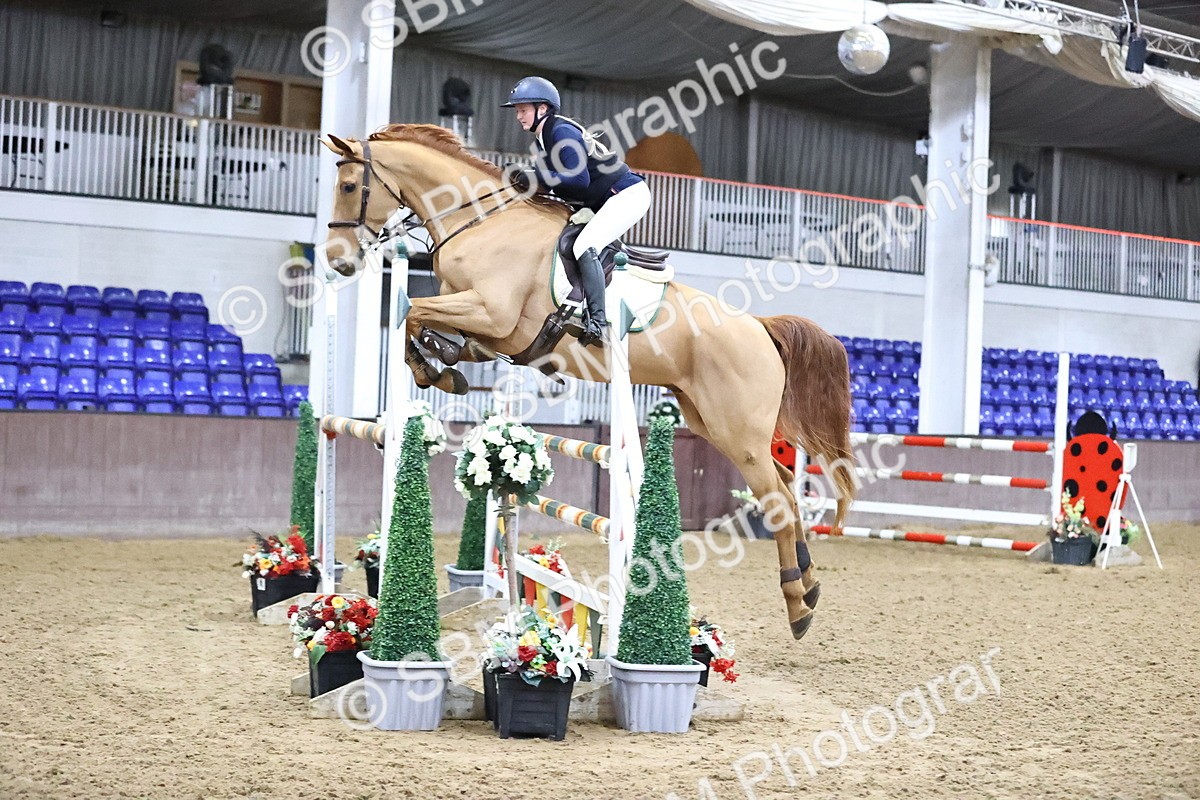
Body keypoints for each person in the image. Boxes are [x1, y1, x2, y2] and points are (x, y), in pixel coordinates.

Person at [501, 76, 651, 346]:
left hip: (626, 195)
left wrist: (533, 177)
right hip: (603, 200)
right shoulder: (544, 140)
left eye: (523, 109)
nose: (519, 116)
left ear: (542, 109)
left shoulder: (560, 132)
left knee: (585, 245)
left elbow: (577, 179)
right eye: (517, 110)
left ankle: (598, 323)